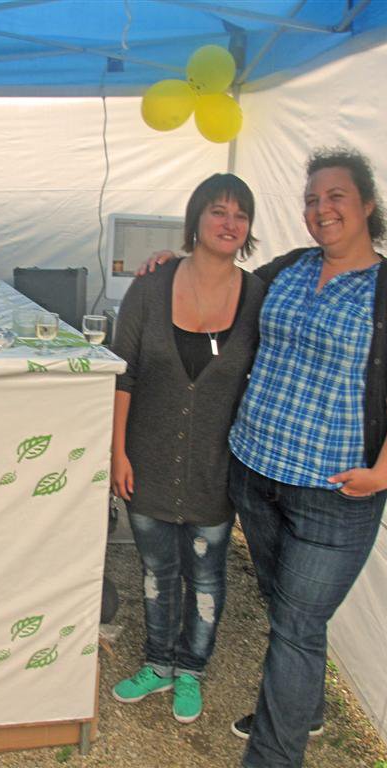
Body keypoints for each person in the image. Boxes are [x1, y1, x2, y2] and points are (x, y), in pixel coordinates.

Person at [224, 148, 387, 767]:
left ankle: (274, 755)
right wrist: (170, 270)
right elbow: (229, 287)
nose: (322, 210)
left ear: (367, 205)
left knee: (294, 627)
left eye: (336, 197)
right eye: (313, 199)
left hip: (334, 495)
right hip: (255, 470)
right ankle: (308, 708)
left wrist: (385, 471)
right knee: (286, 606)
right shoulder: (290, 267)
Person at [109, 174, 264, 724]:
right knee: (156, 570)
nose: (229, 224)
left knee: (206, 576)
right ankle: (158, 662)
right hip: (146, 457)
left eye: (240, 216)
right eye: (218, 212)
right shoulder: (151, 287)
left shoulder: (259, 295)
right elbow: (121, 374)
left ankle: (191, 669)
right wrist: (117, 452)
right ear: (196, 219)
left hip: (216, 469)